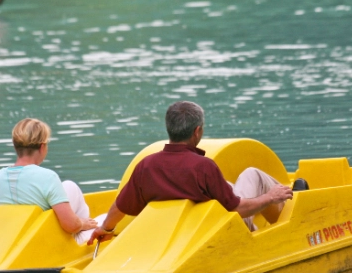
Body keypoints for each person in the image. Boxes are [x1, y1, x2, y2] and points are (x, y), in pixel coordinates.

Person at [89, 101, 293, 244]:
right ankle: (286, 221)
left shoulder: (146, 167)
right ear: (197, 131)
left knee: (228, 186)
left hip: (178, 235)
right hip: (218, 231)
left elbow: (120, 205)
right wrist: (269, 197)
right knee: (252, 175)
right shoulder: (203, 167)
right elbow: (237, 210)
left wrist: (105, 228)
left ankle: (266, 219)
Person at [0, 118, 98, 242]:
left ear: (15, 146)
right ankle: (85, 236)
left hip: (15, 238)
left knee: (68, 188)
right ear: (42, 147)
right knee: (71, 187)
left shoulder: (0, 176)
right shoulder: (47, 177)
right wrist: (82, 224)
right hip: (45, 240)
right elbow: (71, 226)